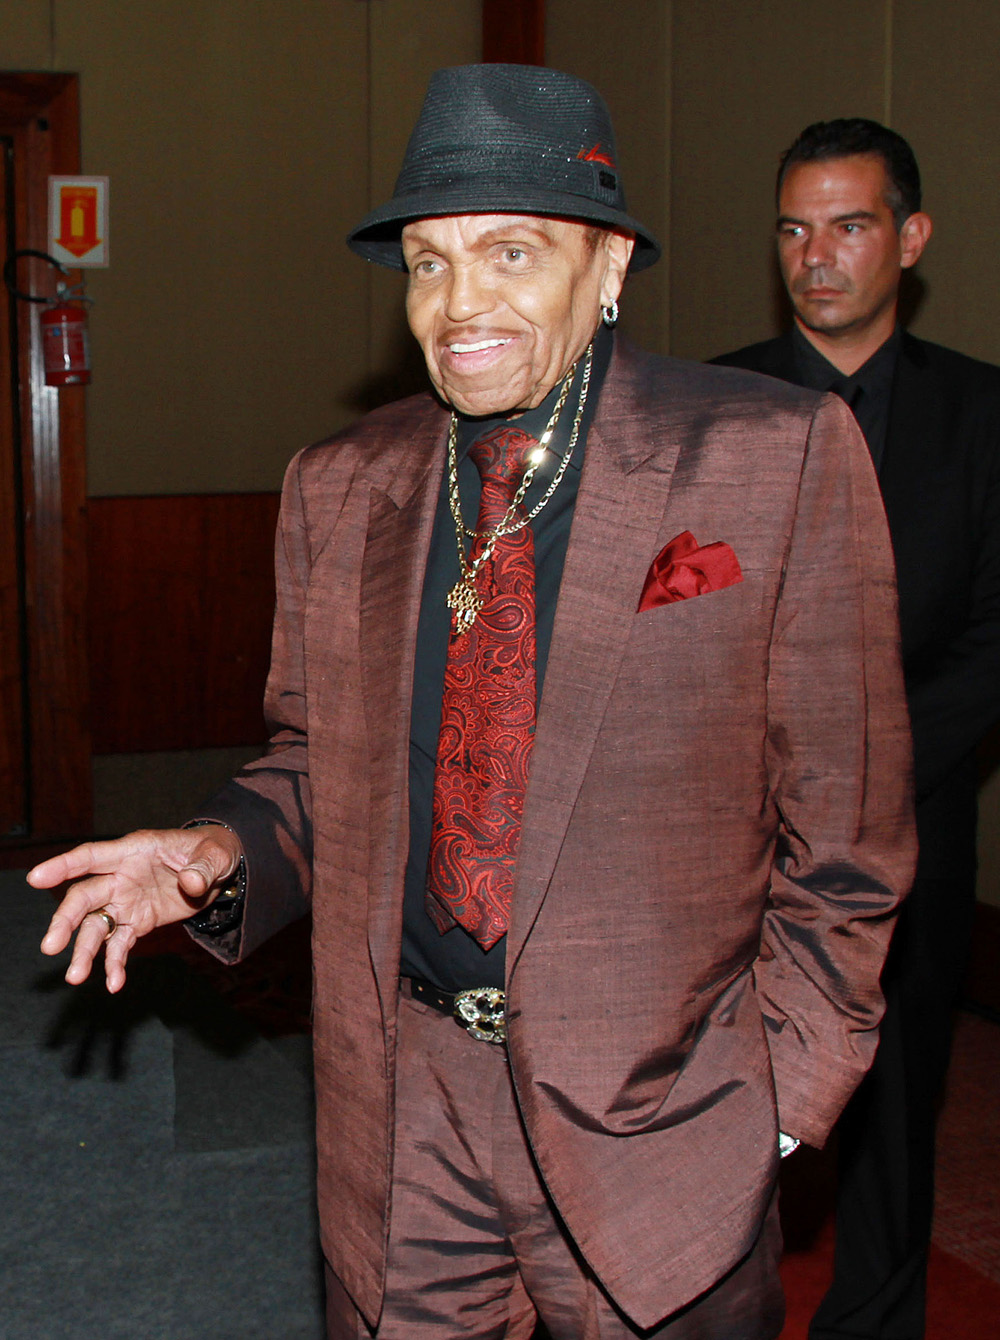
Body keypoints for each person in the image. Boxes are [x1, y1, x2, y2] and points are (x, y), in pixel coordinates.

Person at [32, 71, 916, 1340]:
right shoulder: (341, 484)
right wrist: (217, 849)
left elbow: (851, 825)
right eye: (428, 263)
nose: (461, 305)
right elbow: (316, 762)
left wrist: (777, 1098)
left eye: (511, 252)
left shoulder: (772, 454)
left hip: (662, 1104)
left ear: (607, 266)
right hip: (405, 1103)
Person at [714, 117, 1000, 1340]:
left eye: (848, 224)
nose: (814, 255)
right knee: (714, 1101)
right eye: (792, 227)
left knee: (892, 1102)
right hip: (729, 832)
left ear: (911, 237)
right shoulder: (709, 407)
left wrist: (857, 791)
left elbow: (991, 646)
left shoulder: (983, 417)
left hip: (912, 834)